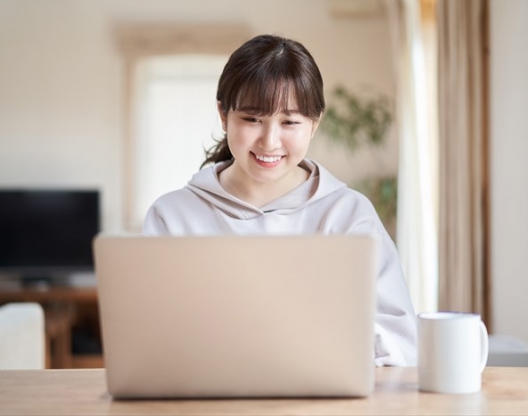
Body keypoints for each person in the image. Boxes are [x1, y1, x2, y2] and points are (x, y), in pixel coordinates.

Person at [143, 34, 417, 366]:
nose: (270, 142)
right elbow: (151, 337)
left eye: (289, 122)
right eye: (252, 119)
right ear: (223, 114)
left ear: (314, 124)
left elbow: (400, 341)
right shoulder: (172, 216)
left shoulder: (349, 215)